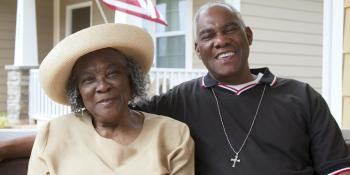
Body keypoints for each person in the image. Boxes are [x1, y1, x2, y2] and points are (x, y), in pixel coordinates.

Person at [0, 2, 349, 175]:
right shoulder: (181, 100)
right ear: (198, 50)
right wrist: (12, 144)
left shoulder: (301, 96)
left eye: (230, 30)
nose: (221, 41)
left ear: (248, 36)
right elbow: (108, 115)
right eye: (207, 36)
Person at [26, 23, 194, 174]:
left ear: (130, 79)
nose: (102, 86)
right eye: (88, 79)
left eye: (112, 73)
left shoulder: (173, 134)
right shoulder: (53, 133)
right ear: (78, 91)